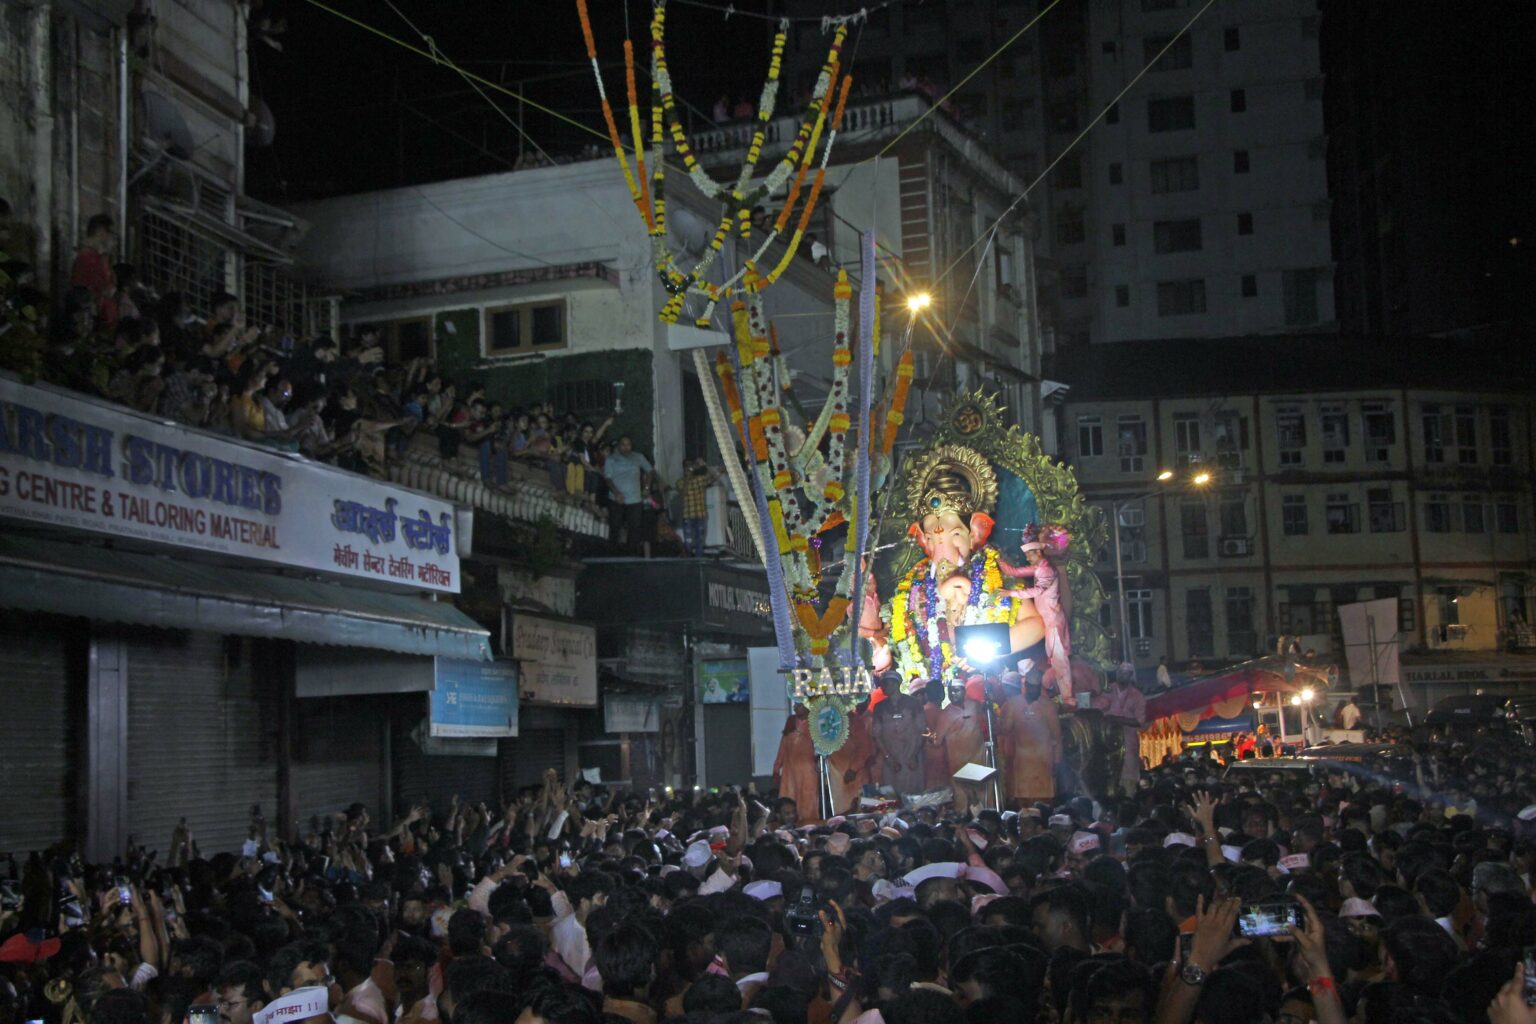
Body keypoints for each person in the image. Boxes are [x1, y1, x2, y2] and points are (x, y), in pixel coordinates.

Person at [998, 670, 1060, 804]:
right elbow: (1005, 730)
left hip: (1044, 763)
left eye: (1037, 688)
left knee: (1044, 804)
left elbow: (1057, 737)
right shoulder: (1013, 704)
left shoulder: (1047, 705)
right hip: (1022, 764)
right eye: (1032, 687)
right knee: (1024, 804)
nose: (1034, 691)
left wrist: (1057, 761)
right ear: (1025, 685)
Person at [870, 672, 928, 800]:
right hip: (891, 759)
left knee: (915, 797)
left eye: (886, 684)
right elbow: (877, 736)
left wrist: (914, 755)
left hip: (912, 757)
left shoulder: (913, 703)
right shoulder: (879, 707)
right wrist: (888, 757)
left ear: (896, 684)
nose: (883, 687)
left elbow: (923, 731)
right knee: (892, 798)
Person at [936, 677, 991, 815]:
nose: (953, 694)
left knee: (983, 795)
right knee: (963, 800)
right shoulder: (946, 713)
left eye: (956, 691)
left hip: (978, 760)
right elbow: (937, 740)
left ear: (964, 691)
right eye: (950, 692)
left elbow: (986, 720)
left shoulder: (974, 705)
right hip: (958, 764)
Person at [1095, 664, 1148, 796]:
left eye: (1126, 673)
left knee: (1128, 776)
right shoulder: (1107, 690)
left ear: (1131, 676)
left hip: (1128, 741)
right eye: (1120, 673)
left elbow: (1139, 721)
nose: (1122, 675)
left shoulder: (1137, 696)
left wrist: (1117, 719)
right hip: (1106, 739)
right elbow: (1096, 709)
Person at [602, 436, 653, 554]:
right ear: (619, 446)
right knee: (615, 525)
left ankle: (632, 554)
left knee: (634, 527)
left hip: (634, 498)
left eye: (628, 444)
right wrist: (616, 492)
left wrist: (646, 487)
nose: (626, 447)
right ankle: (613, 553)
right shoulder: (611, 459)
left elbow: (650, 471)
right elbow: (608, 478)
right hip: (616, 498)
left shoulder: (638, 457)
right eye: (623, 445)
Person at [772, 706, 820, 824]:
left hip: (808, 772)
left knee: (808, 802)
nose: (794, 707)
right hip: (790, 773)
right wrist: (776, 769)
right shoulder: (791, 721)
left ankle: (809, 827)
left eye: (799, 704)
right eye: (795, 704)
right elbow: (783, 747)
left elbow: (821, 749)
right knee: (788, 801)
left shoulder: (815, 722)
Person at [70, 213, 118, 329]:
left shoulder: (91, 257)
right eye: (110, 234)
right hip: (95, 321)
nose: (113, 239)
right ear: (100, 231)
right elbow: (108, 289)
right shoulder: (92, 259)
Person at [675, 458, 720, 557]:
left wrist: (705, 465)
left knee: (700, 540)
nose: (689, 468)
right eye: (686, 466)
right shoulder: (680, 482)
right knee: (688, 541)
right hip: (688, 515)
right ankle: (690, 561)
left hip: (700, 514)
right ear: (683, 468)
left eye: (690, 466)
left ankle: (698, 561)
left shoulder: (700, 479)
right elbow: (682, 494)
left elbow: (716, 475)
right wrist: (688, 477)